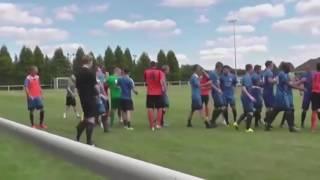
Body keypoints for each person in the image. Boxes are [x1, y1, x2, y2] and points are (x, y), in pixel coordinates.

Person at [265, 62, 303, 133]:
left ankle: (267, 125)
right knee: (289, 109)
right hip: (282, 96)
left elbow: (289, 83)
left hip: (278, 95)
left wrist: (297, 83)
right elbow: (289, 84)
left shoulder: (281, 74)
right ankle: (291, 128)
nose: (290, 69)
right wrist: (300, 88)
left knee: (275, 111)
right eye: (289, 68)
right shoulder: (282, 74)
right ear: (286, 68)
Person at [75, 55, 98, 145]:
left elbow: (77, 87)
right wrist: (99, 94)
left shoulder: (78, 73)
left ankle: (78, 132)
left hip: (83, 98)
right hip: (90, 98)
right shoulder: (90, 73)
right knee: (91, 119)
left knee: (87, 118)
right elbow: (96, 87)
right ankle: (89, 141)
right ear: (89, 61)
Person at [233, 64, 256, 133]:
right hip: (246, 98)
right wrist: (250, 96)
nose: (253, 70)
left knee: (246, 112)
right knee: (251, 112)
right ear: (250, 69)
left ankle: (237, 123)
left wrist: (255, 87)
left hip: (245, 97)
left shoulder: (246, 77)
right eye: (252, 69)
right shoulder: (247, 77)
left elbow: (247, 87)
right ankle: (247, 128)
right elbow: (244, 88)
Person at [144, 61, 165, 131]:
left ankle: (151, 125)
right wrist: (163, 89)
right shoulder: (160, 72)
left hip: (150, 92)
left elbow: (146, 82)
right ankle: (158, 124)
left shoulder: (146, 72)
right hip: (159, 93)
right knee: (160, 108)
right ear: (156, 66)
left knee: (150, 108)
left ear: (150, 65)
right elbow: (162, 81)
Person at [209, 62, 227, 127]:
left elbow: (217, 83)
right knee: (221, 107)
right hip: (215, 93)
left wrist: (220, 89)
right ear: (218, 67)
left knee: (217, 107)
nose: (221, 69)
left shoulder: (217, 74)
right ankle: (212, 121)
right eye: (221, 68)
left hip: (218, 93)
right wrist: (217, 89)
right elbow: (211, 83)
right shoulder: (212, 73)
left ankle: (212, 121)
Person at [96, 67, 109, 133]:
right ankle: (103, 125)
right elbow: (98, 91)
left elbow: (103, 88)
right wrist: (104, 96)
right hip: (98, 98)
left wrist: (105, 96)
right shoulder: (95, 80)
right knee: (102, 112)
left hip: (101, 98)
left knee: (103, 112)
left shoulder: (100, 79)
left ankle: (104, 127)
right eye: (99, 70)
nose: (100, 71)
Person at [311, 63, 320, 132]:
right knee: (318, 110)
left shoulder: (314, 74)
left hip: (314, 93)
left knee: (314, 111)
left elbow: (312, 83)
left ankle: (313, 128)